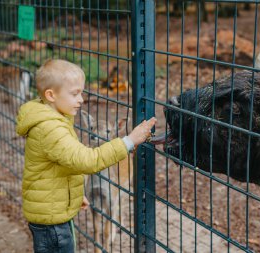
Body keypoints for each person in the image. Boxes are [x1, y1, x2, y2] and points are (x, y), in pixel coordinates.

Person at [16, 59, 157, 253]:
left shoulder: (53, 120)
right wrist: (129, 141)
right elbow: (87, 160)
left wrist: (73, 194)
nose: (82, 99)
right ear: (51, 95)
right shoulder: (50, 128)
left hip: (51, 211)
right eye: (75, 94)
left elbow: (60, 165)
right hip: (52, 221)